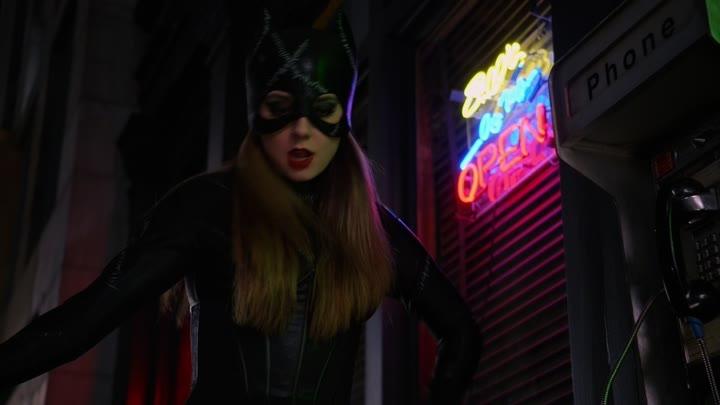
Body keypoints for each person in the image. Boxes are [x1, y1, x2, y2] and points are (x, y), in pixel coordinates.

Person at [0, 2, 481, 404]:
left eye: (322, 110)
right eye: (280, 109)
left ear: (343, 118)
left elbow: (461, 332)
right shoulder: (206, 209)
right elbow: (82, 321)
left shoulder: (370, 229)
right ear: (257, 112)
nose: (301, 129)